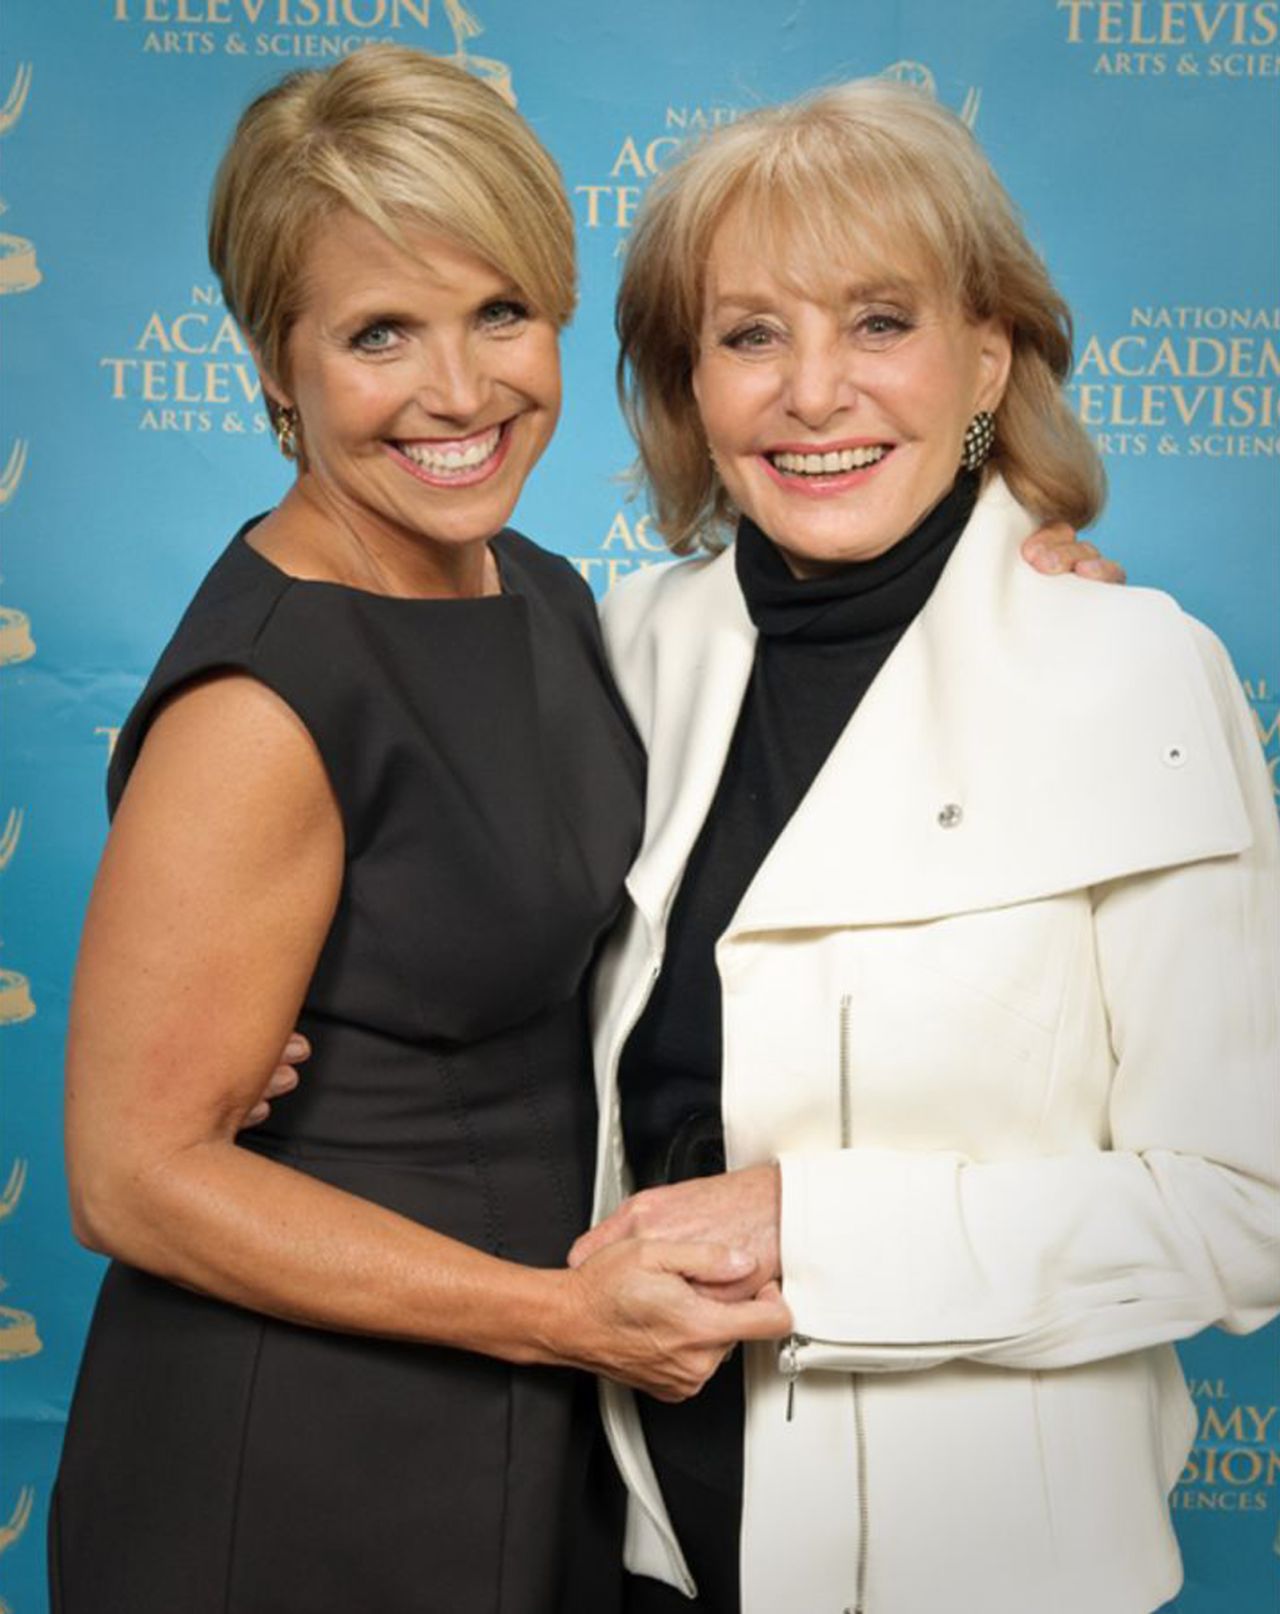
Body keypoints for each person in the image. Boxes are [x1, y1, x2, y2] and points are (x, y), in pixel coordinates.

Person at [49, 47, 796, 1614]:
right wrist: (556, 1319)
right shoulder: (267, 691)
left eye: (499, 314)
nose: (461, 394)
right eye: (380, 332)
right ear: (277, 360)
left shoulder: (534, 587)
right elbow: (129, 1179)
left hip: (529, 1413)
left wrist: (1016, 547)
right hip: (304, 1454)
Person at [570, 78, 1280, 1614]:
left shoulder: (1133, 669)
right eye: (750, 334)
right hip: (646, 1549)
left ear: (987, 356)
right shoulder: (618, 650)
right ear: (691, 385)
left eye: (878, 322)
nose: (814, 392)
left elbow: (1243, 1200)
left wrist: (812, 1234)